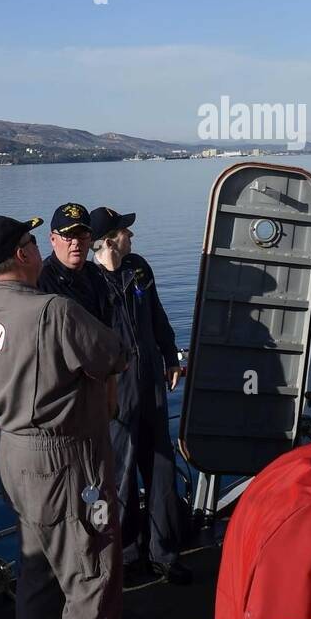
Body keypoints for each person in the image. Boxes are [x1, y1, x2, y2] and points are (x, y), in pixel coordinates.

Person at [0, 212, 144, 619]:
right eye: (31, 239)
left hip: (14, 457)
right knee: (92, 586)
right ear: (24, 254)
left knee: (39, 579)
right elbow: (113, 353)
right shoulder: (54, 310)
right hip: (64, 460)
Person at [89, 207, 191, 586]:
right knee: (122, 474)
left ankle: (164, 554)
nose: (132, 237)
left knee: (161, 468)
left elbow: (157, 314)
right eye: (126, 232)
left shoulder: (139, 268)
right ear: (110, 238)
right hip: (118, 384)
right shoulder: (90, 281)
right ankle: (128, 554)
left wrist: (170, 355)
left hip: (151, 380)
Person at [37, 202, 114, 324]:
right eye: (68, 235)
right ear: (53, 239)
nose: (76, 242)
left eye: (82, 234)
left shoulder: (95, 273)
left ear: (90, 238)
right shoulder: (41, 281)